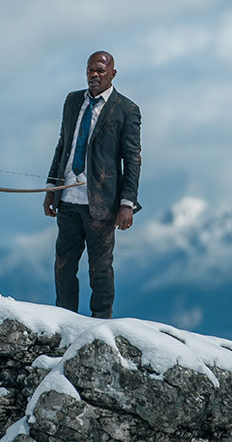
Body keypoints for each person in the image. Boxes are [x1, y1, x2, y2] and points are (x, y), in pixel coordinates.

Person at [43, 51, 141, 318]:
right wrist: (51, 188)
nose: (94, 75)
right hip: (67, 199)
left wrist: (126, 203)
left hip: (102, 205)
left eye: (100, 70)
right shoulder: (73, 100)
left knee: (100, 269)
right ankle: (64, 320)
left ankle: (101, 324)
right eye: (90, 70)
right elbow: (63, 146)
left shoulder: (126, 109)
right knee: (63, 266)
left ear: (112, 74)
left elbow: (132, 159)